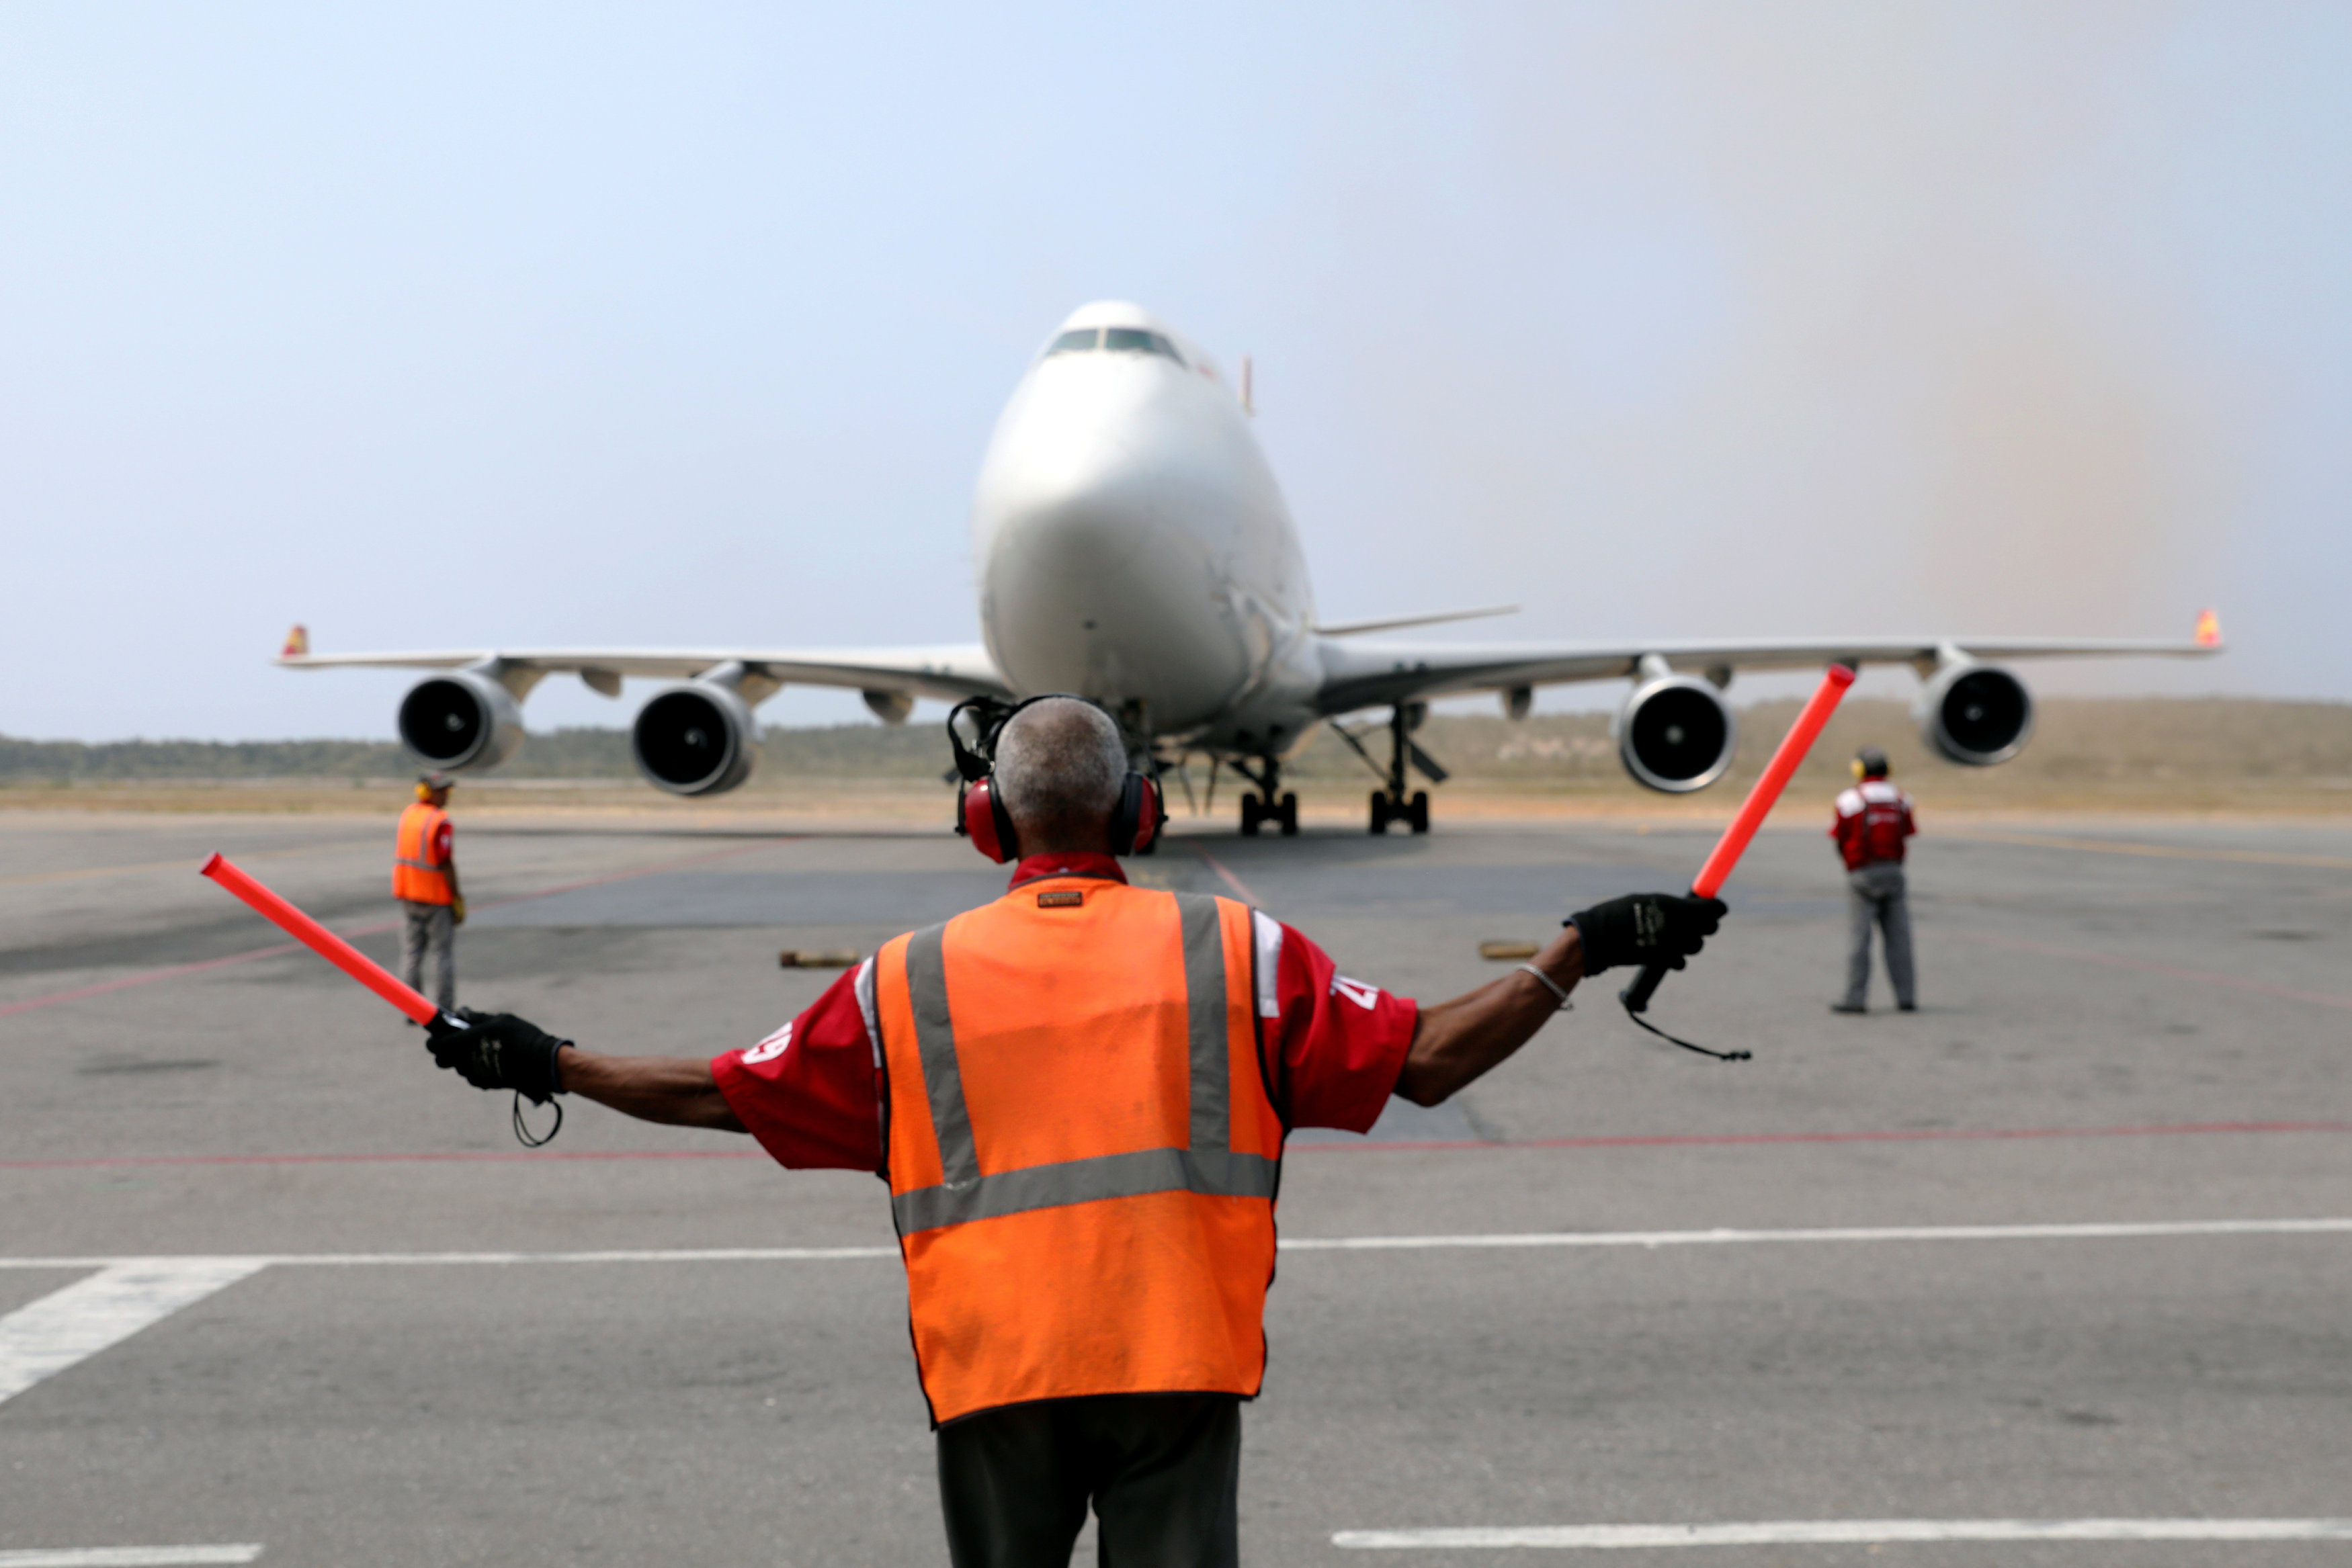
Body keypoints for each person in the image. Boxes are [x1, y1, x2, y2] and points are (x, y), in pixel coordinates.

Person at [421, 697, 1724, 1568]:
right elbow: (1430, 1062)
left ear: (987, 817)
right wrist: (1581, 948)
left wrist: (549, 1061)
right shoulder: (1236, 950)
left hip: (995, 1377)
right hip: (1174, 1362)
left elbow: (718, 1089)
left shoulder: (903, 978)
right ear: (1136, 812)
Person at [1830, 744, 1917, 1014]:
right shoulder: (1902, 799)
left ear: (1859, 769)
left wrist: (1850, 865)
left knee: (1859, 941)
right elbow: (1907, 833)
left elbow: (1840, 837)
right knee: (1899, 940)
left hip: (1863, 875)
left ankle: (1855, 999)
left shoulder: (1850, 799)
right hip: (1894, 873)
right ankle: (1906, 998)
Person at [393, 771, 464, 1014]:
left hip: (409, 894)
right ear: (427, 792)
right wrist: (456, 897)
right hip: (435, 896)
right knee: (441, 955)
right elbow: (445, 862)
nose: (447, 795)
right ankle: (445, 1010)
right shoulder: (439, 821)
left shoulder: (408, 815)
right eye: (442, 790)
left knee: (412, 954)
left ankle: (411, 1008)